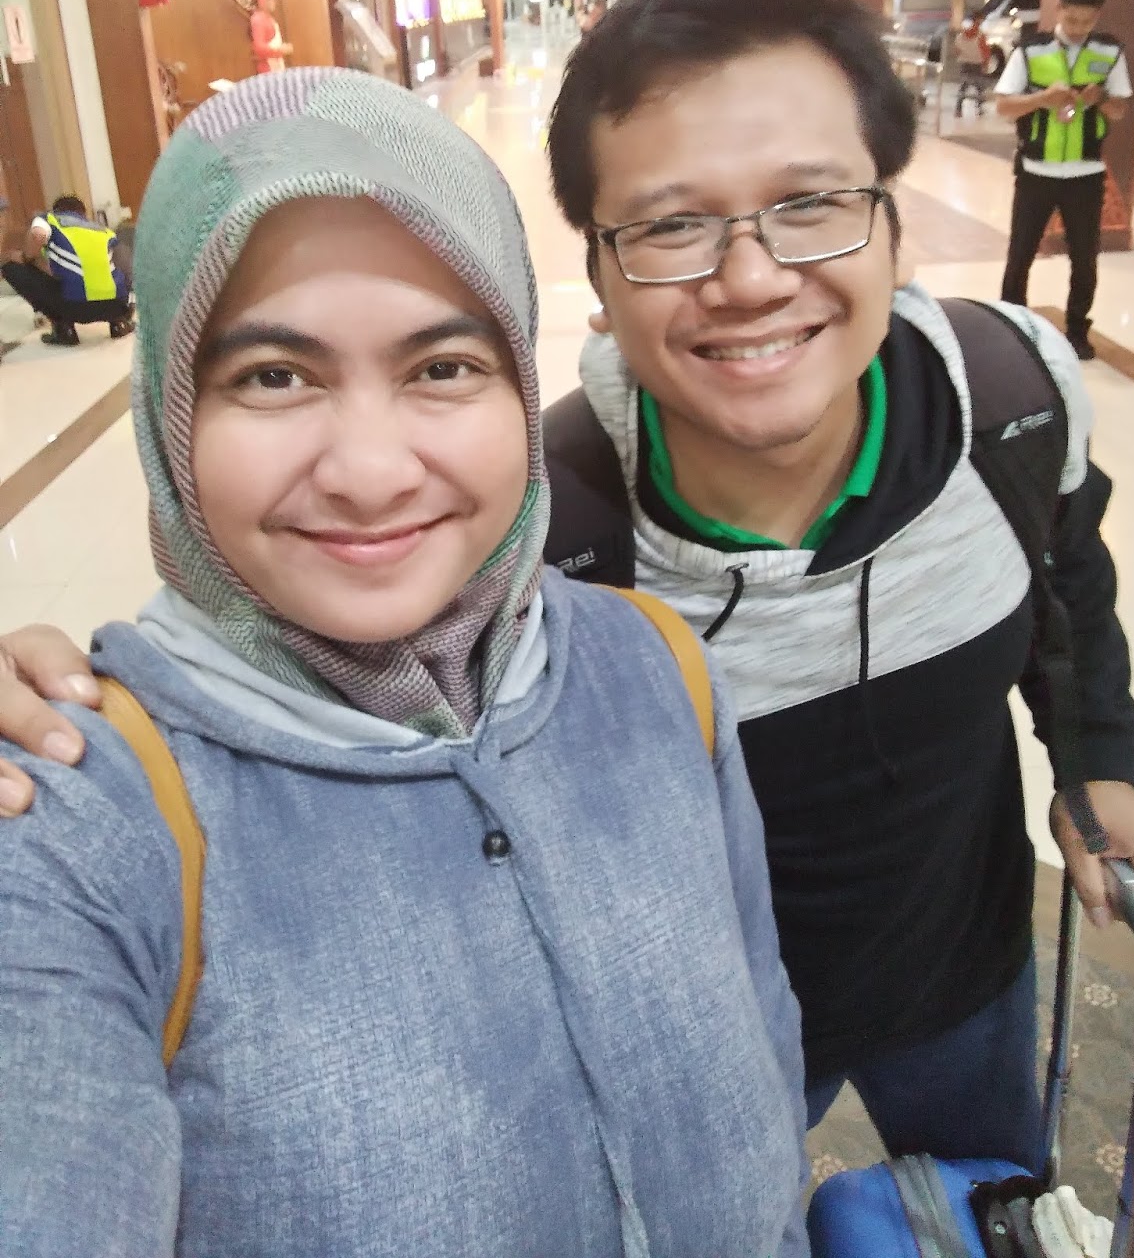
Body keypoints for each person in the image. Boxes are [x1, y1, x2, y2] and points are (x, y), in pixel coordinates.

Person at [0, 0, 1134, 1174]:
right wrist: (61, 712)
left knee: (1002, 1204)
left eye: (811, 202)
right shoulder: (536, 525)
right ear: (599, 283)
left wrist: (1096, 760)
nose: (751, 278)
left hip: (968, 962)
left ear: (894, 224)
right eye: (671, 225)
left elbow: (1068, 581)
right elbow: (315, 680)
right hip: (713, 1011)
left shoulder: (1012, 401)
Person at [0, 68, 809, 1256]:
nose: (371, 473)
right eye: (273, 376)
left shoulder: (654, 670)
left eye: (443, 367)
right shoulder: (72, 826)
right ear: (171, 411)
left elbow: (770, 1051)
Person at [994, 0, 1131, 361]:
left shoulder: (1109, 52)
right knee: (1020, 253)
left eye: (1086, 21)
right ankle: (1012, 326)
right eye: (1071, 18)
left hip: (1085, 175)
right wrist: (1042, 99)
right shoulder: (1031, 51)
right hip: (1036, 171)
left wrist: (1100, 98)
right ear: (1059, 9)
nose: (1077, 27)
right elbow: (1004, 106)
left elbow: (1119, 110)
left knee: (1085, 258)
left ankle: (1077, 330)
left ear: (1097, 16)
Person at [0, 194, 135, 347]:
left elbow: (38, 235)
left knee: (10, 266)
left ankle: (64, 329)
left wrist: (25, 257)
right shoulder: (103, 230)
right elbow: (127, 269)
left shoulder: (49, 219)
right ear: (83, 214)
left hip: (74, 307)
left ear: (56, 211)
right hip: (115, 306)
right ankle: (119, 324)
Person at [953, 15, 988, 116]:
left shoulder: (959, 36)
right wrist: (985, 64)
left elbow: (956, 51)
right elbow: (985, 51)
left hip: (964, 63)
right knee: (979, 87)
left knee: (963, 86)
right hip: (977, 63)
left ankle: (958, 109)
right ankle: (979, 108)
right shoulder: (980, 36)